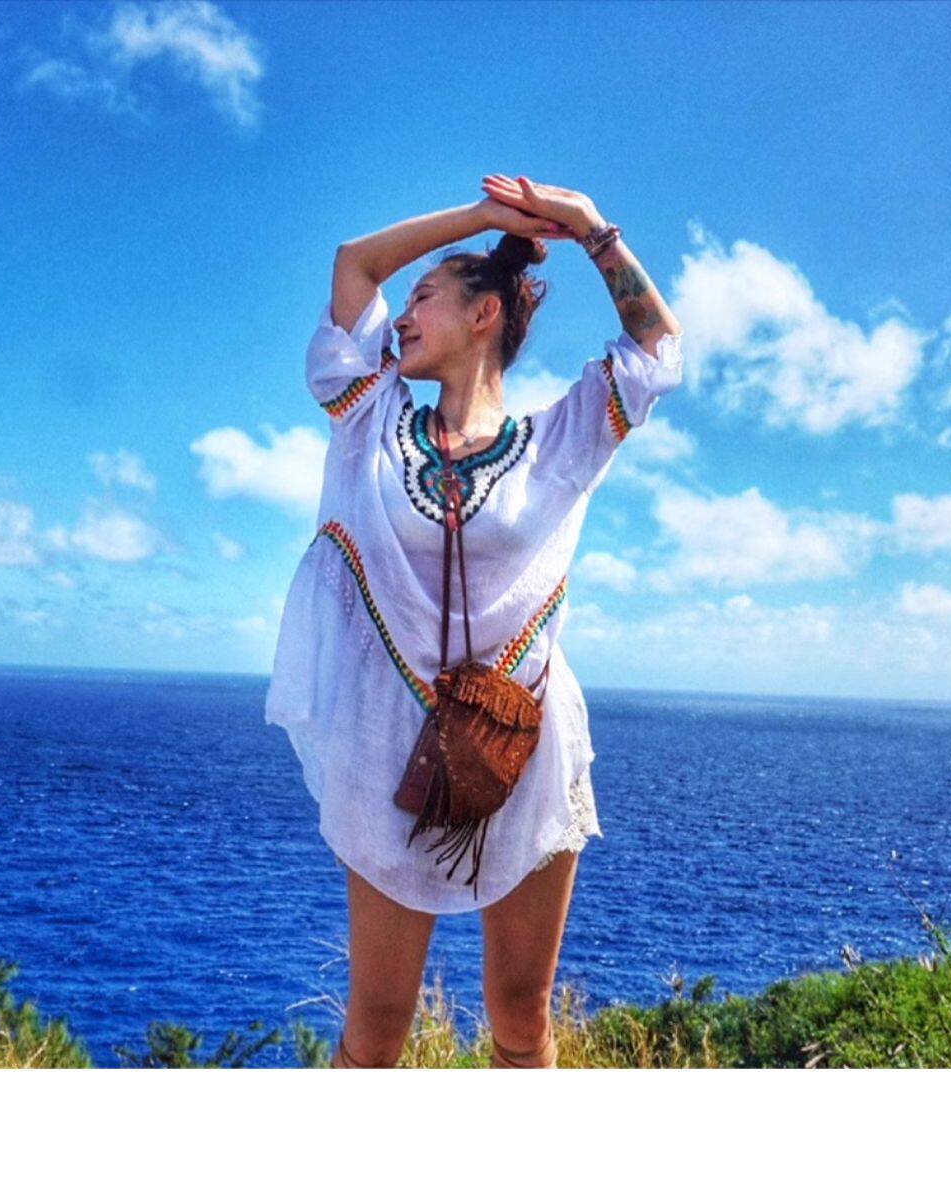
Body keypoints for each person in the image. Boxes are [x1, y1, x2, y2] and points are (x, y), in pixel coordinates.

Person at [265, 175, 684, 1068]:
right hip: (389, 752)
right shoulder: (371, 420)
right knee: (375, 1029)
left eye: (424, 298)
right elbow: (354, 264)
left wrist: (591, 228)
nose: (402, 316)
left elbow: (658, 348)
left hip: (523, 748)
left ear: (483, 314)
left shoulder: (560, 440)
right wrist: (484, 218)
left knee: (521, 1021)